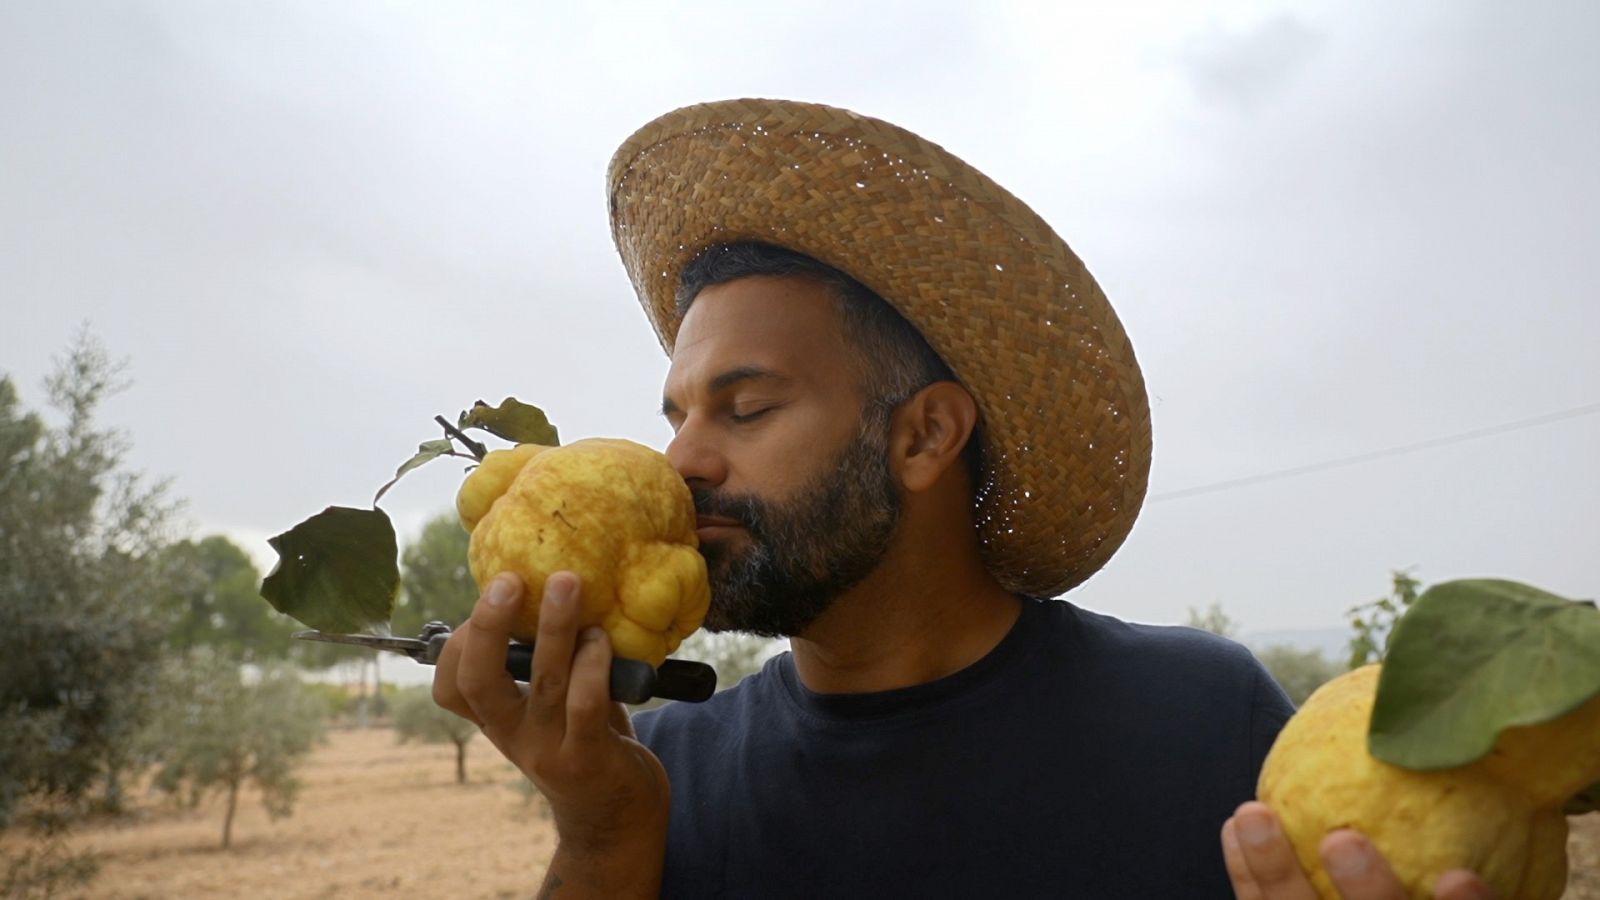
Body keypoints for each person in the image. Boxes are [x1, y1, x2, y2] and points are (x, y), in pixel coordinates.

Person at [432, 99, 1493, 898]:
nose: (681, 464)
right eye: (675, 417)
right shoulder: (661, 773)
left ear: (924, 434)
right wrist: (601, 839)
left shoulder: (1201, 721)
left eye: (743, 410)